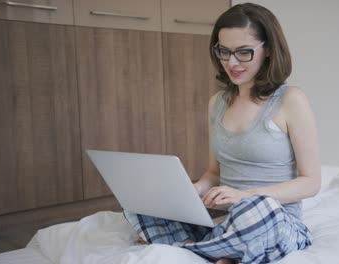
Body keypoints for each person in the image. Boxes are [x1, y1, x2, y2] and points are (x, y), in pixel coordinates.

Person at [123, 3, 321, 263]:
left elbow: (311, 182)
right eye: (223, 51)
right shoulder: (218, 102)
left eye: (243, 52)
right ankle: (221, 246)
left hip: (271, 219)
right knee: (140, 203)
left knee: (256, 211)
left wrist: (245, 196)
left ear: (269, 50)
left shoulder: (290, 99)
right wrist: (192, 189)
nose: (231, 62)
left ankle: (193, 244)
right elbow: (214, 172)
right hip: (225, 218)